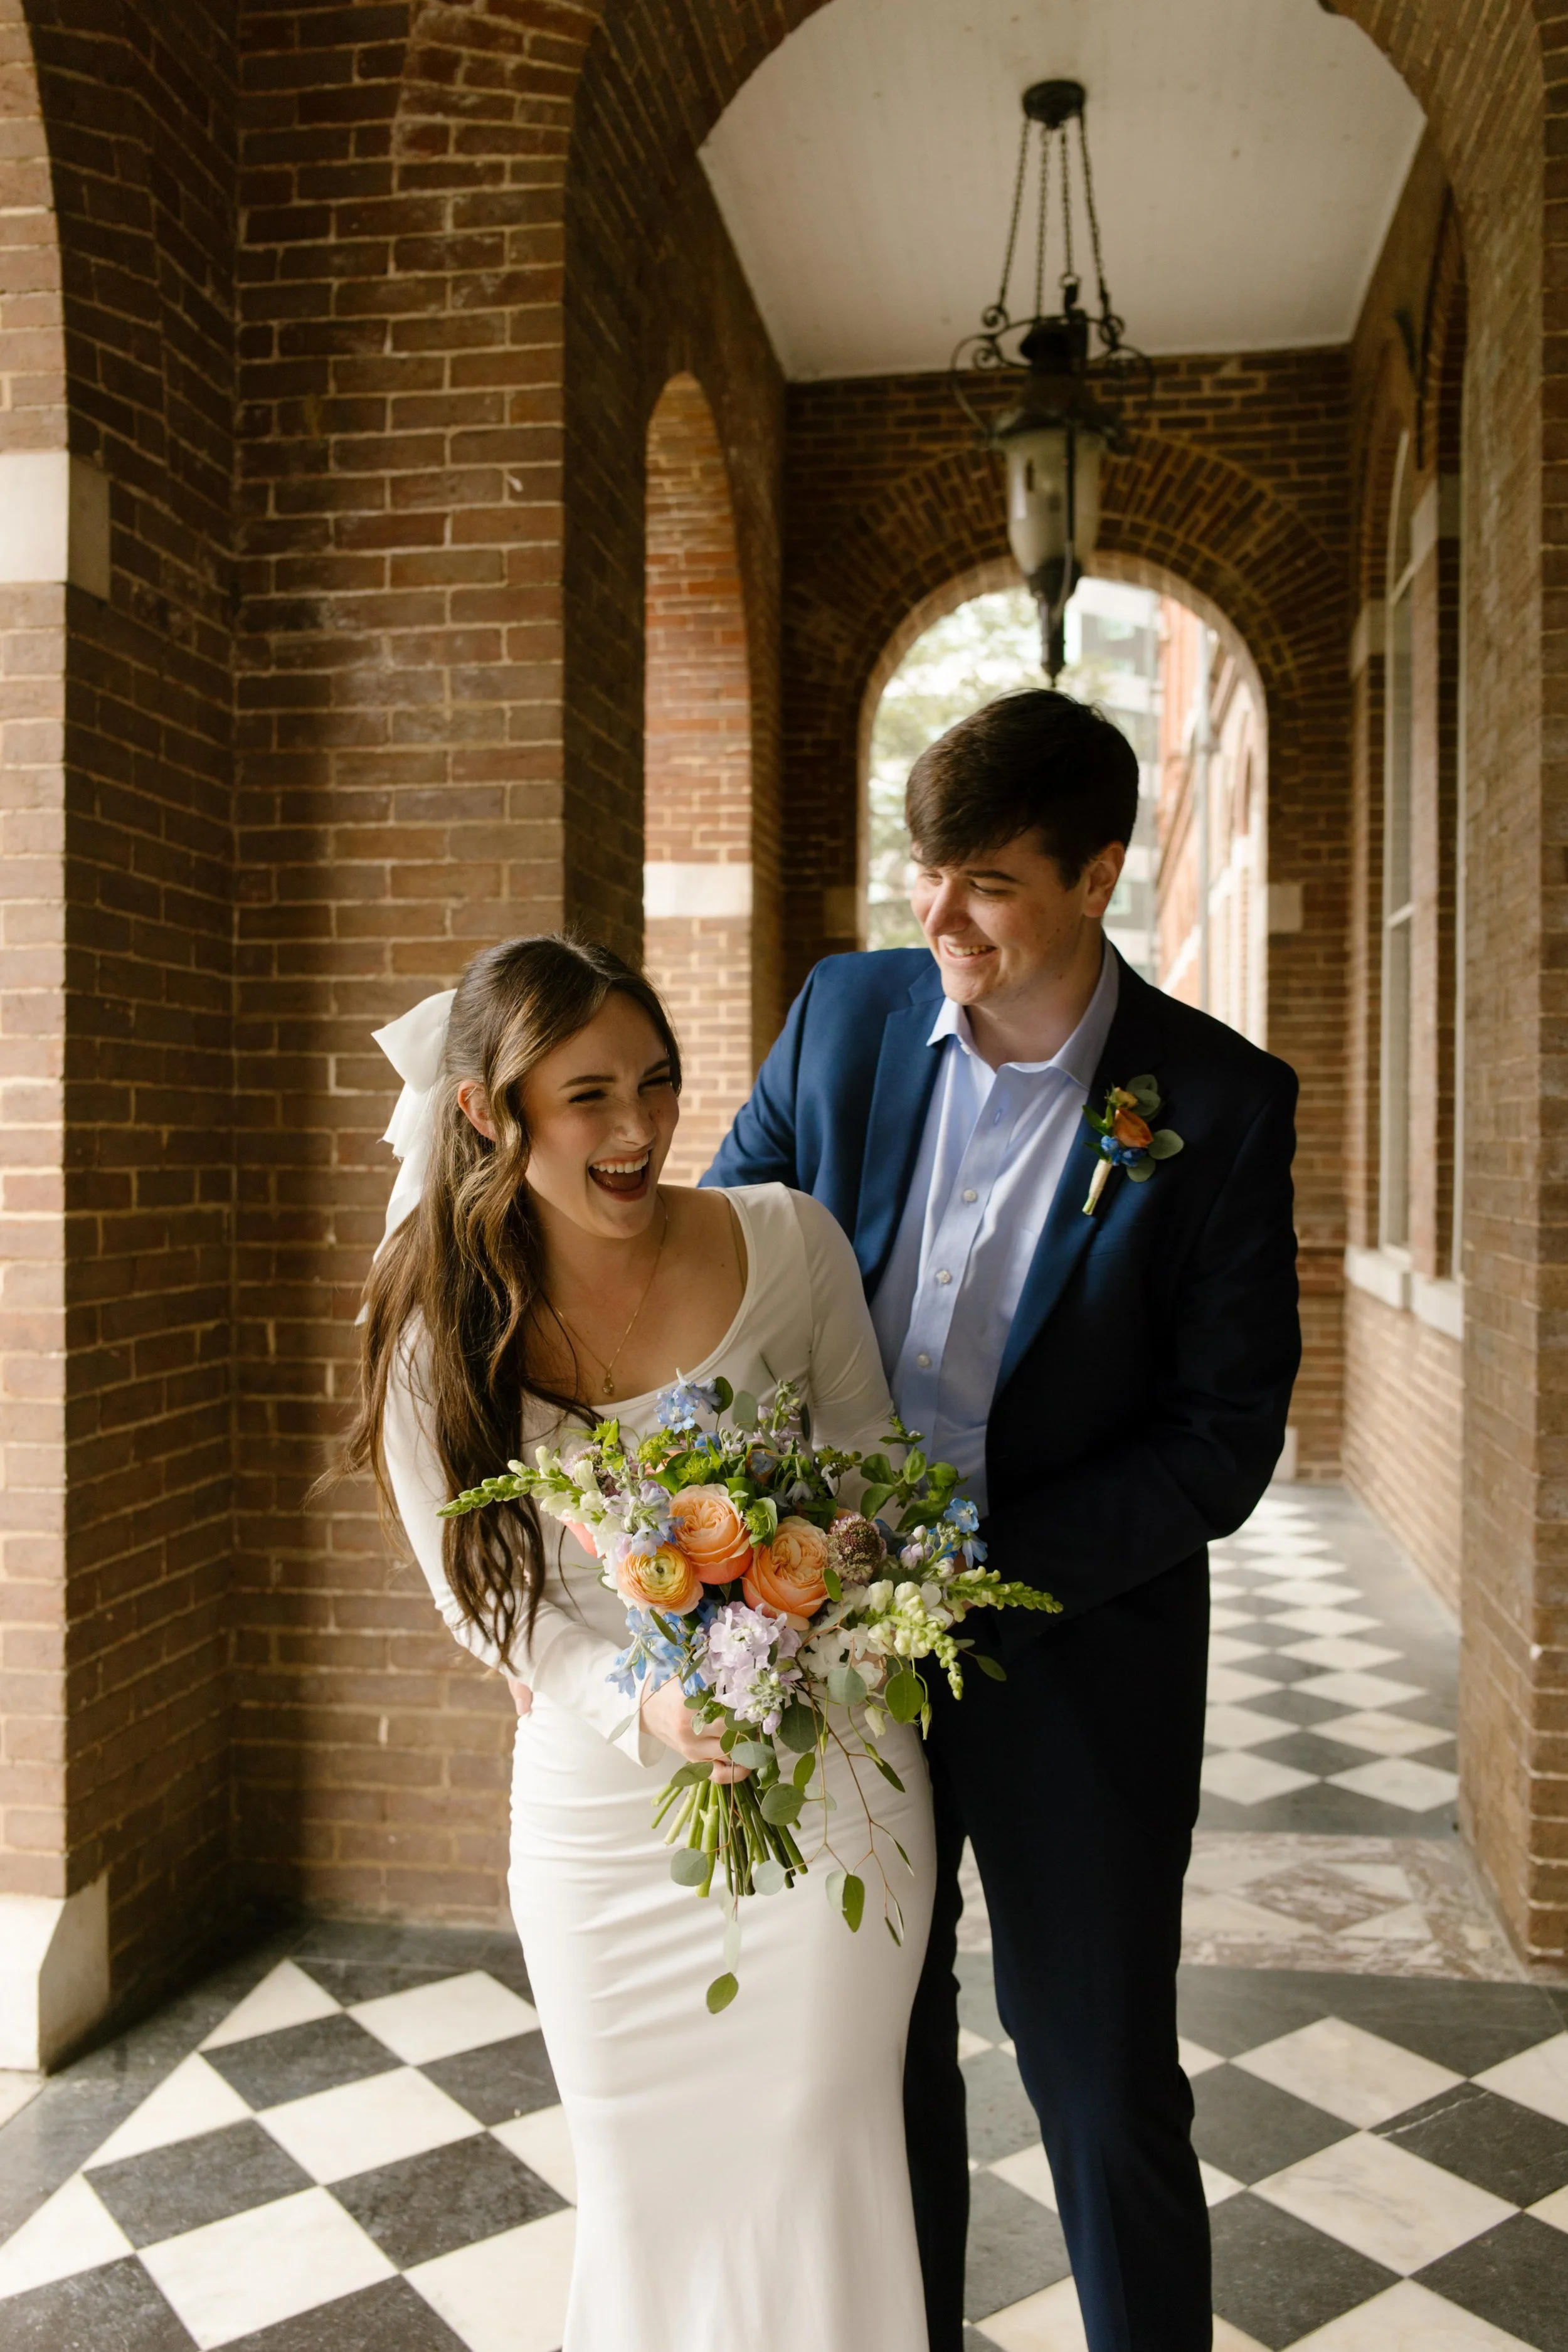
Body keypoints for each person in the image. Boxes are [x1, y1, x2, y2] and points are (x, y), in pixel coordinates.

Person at [707, 688, 1301, 2352]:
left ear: (1096, 872)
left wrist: (969, 1576)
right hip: (828, 1653)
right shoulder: (840, 1015)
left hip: (1074, 1655)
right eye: (927, 871)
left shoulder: (1217, 1104)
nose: (940, 914)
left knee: (1100, 2078)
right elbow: (728, 1268)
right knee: (874, 2064)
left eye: (987, 882)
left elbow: (1219, 1442)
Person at [343, 934, 936, 2352]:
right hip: (602, 1818)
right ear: (489, 1113)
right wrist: (650, 1713)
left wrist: (800, 1607)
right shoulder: (435, 1325)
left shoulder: (785, 1238)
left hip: (830, 1795)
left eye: (657, 1085)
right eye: (590, 1095)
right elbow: (484, 1601)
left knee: (814, 2151)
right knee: (644, 2182)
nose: (637, 1130)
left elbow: (872, 1478)